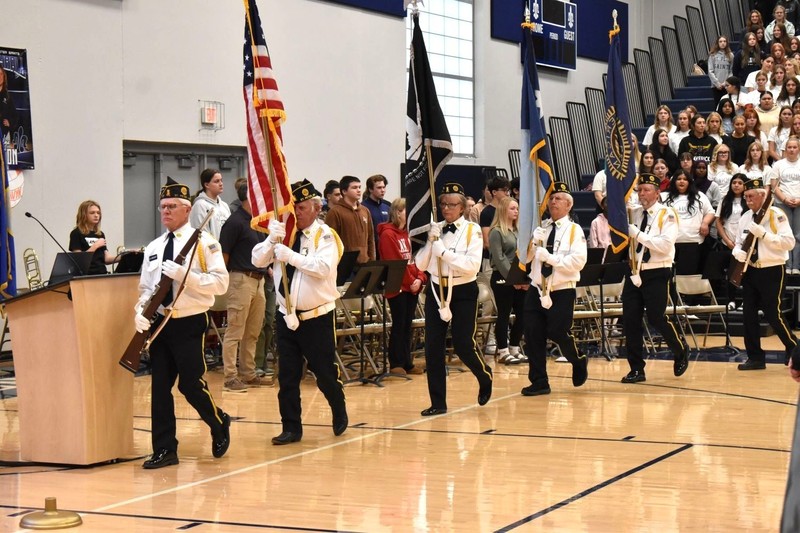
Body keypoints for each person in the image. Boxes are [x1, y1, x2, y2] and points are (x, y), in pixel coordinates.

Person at [133, 177, 231, 469]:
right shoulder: (154, 247)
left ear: (187, 210)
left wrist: (186, 277)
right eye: (162, 206)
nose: (165, 211)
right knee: (160, 388)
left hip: (189, 322)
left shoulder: (205, 243)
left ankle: (218, 421)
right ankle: (165, 449)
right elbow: (146, 288)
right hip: (161, 324)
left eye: (172, 206)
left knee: (190, 385)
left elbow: (221, 283)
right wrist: (140, 311)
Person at [251, 179, 348, 444]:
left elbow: (322, 268)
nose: (297, 213)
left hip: (316, 317)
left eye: (302, 208)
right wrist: (271, 240)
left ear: (317, 208)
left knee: (324, 373)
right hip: (286, 316)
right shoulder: (285, 235)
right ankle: (291, 427)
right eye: (293, 208)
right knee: (288, 375)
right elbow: (256, 260)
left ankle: (338, 406)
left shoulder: (325, 235)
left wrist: (290, 256)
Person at [414, 182, 493, 416]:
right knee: (432, 348)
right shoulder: (435, 229)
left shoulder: (473, 230)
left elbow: (472, 266)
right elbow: (420, 265)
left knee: (463, 344)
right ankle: (438, 402)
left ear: (462, 207)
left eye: (452, 204)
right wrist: (431, 243)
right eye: (443, 204)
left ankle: (484, 375)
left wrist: (443, 253)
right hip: (436, 290)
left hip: (463, 291)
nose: (446, 208)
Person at [520, 182, 588, 396]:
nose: (553, 202)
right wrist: (532, 244)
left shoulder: (574, 230)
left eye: (558, 198)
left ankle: (577, 359)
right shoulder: (541, 228)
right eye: (551, 198)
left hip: (561, 290)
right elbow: (524, 259)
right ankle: (539, 381)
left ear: (569, 205)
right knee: (533, 335)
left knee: (557, 332)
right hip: (536, 288)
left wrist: (551, 258)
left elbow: (578, 262)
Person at [621, 173, 689, 383]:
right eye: (639, 190)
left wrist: (638, 235)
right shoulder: (634, 213)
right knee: (630, 321)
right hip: (634, 271)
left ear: (657, 193)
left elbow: (665, 245)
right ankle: (636, 369)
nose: (642, 194)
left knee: (656, 318)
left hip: (657, 271)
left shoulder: (667, 214)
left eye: (646, 190)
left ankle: (680, 349)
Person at [732, 177, 798, 370]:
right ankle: (755, 358)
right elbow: (738, 241)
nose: (748, 200)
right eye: (745, 197)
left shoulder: (776, 215)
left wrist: (764, 235)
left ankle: (794, 348)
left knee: (773, 314)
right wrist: (737, 252)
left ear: (762, 196)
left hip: (772, 269)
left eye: (751, 196)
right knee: (748, 315)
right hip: (750, 270)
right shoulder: (745, 217)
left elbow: (789, 243)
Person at [217, 182, 272, 392]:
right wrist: (224, 280)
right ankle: (230, 376)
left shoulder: (258, 222)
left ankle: (249, 373)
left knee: (253, 330)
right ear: (249, 198)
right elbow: (224, 255)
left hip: (258, 279)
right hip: (240, 278)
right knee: (235, 330)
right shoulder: (234, 222)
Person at [377, 197, 427, 375]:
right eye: (407, 210)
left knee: (407, 324)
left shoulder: (408, 234)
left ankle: (407, 362)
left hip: (412, 285)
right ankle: (396, 362)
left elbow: (415, 259)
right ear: (398, 213)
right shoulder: (388, 234)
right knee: (399, 324)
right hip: (397, 285)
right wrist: (411, 281)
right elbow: (396, 263)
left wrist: (419, 278)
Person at [488, 196, 527, 365]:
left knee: (523, 314)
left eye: (517, 208)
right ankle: (503, 351)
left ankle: (514, 348)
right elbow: (499, 258)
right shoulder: (496, 231)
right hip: (502, 277)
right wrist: (513, 279)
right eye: (512, 208)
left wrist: (523, 279)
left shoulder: (518, 231)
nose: (516, 211)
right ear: (503, 210)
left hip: (520, 277)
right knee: (504, 314)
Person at [325, 175, 375, 265]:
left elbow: (370, 238)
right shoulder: (335, 212)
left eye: (359, 187)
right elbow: (330, 241)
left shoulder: (365, 211)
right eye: (354, 188)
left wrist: (372, 260)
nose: (359, 190)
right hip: (345, 264)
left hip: (365, 263)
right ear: (344, 191)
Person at [715, 174, 747, 309]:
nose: (736, 185)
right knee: (731, 273)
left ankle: (746, 301)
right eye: (734, 182)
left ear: (745, 185)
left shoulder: (748, 199)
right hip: (728, 242)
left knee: (746, 273)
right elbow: (718, 221)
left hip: (745, 243)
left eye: (740, 183)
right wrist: (727, 240)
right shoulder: (725, 200)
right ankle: (731, 301)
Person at [769, 137, 800, 272]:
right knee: (785, 234)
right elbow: (774, 186)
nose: (792, 150)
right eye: (789, 147)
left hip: (799, 203)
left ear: (799, 149)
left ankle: (796, 266)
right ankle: (787, 265)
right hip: (782, 203)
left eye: (794, 147)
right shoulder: (778, 165)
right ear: (785, 149)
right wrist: (785, 199)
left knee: (798, 235)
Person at [69, 200, 119, 275]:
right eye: (92, 213)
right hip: (86, 275)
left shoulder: (100, 234)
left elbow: (106, 259)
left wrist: (125, 256)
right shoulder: (76, 233)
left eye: (98, 213)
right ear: (84, 215)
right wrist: (95, 245)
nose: (96, 215)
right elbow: (79, 260)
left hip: (102, 274)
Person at [190, 168, 231, 240]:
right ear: (206, 185)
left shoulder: (224, 205)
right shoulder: (200, 205)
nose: (221, 184)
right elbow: (202, 235)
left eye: (221, 180)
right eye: (216, 181)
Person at [362, 174, 391, 248]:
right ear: (370, 189)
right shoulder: (363, 207)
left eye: (384, 187)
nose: (382, 190)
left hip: (387, 245)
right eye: (379, 188)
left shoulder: (387, 206)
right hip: (372, 247)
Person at [708, 36, 734, 103]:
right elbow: (710, 71)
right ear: (717, 43)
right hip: (716, 86)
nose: (723, 43)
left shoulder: (731, 55)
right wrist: (717, 83)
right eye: (720, 41)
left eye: (724, 41)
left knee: (727, 103)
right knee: (718, 104)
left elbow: (731, 71)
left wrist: (726, 83)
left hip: (727, 85)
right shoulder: (713, 55)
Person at [0, 68, 18, 137]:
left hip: (4, 134)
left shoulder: (7, 96)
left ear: (4, 76)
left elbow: (15, 115)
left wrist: (10, 122)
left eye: (1, 74)